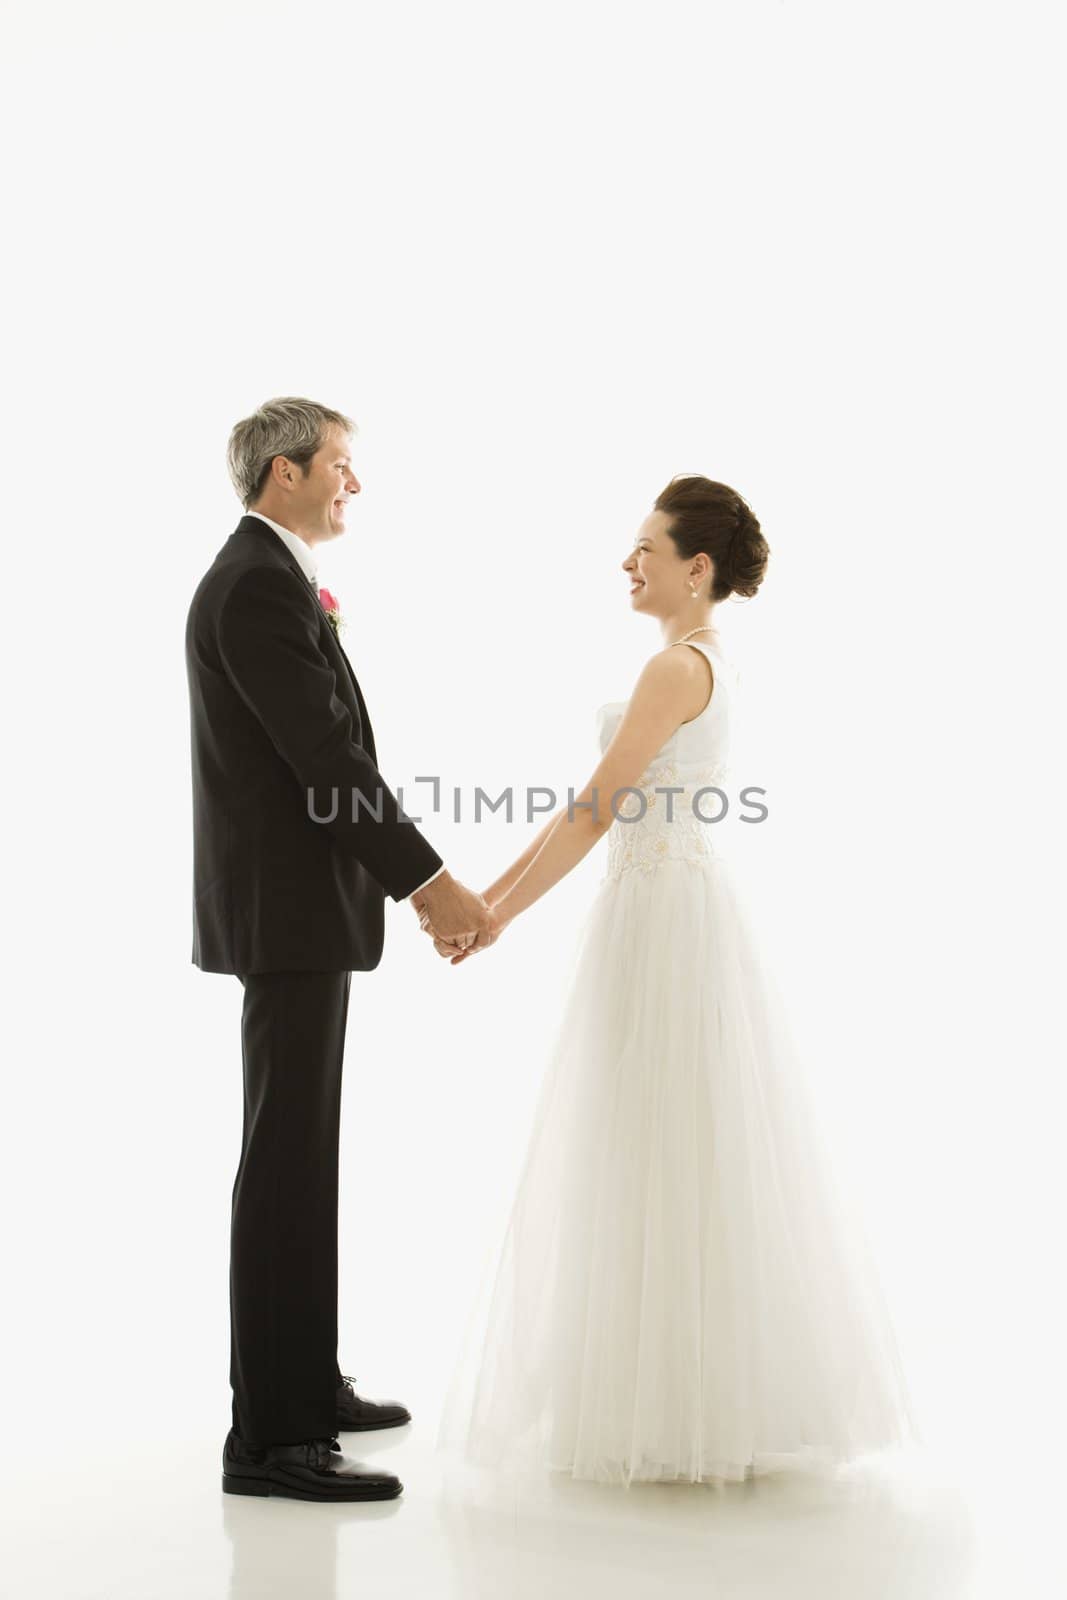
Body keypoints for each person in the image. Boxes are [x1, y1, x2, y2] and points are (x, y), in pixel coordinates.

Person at [433, 476, 919, 1487]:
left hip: (660, 914)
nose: (628, 561)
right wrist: (485, 894)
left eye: (645, 547)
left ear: (696, 570)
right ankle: (686, 1390)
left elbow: (593, 809)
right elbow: (587, 806)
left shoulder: (672, 670)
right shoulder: (698, 661)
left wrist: (494, 915)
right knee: (667, 1141)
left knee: (661, 1141)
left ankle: (681, 1400)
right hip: (669, 903)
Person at [185, 396, 491, 1502]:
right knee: (283, 1163)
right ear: (283, 475)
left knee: (301, 1156)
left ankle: (301, 1386)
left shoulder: (265, 577)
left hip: (297, 910)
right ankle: (266, 1440)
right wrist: (430, 881)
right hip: (285, 912)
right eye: (341, 466)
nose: (352, 484)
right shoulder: (256, 585)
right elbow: (326, 760)